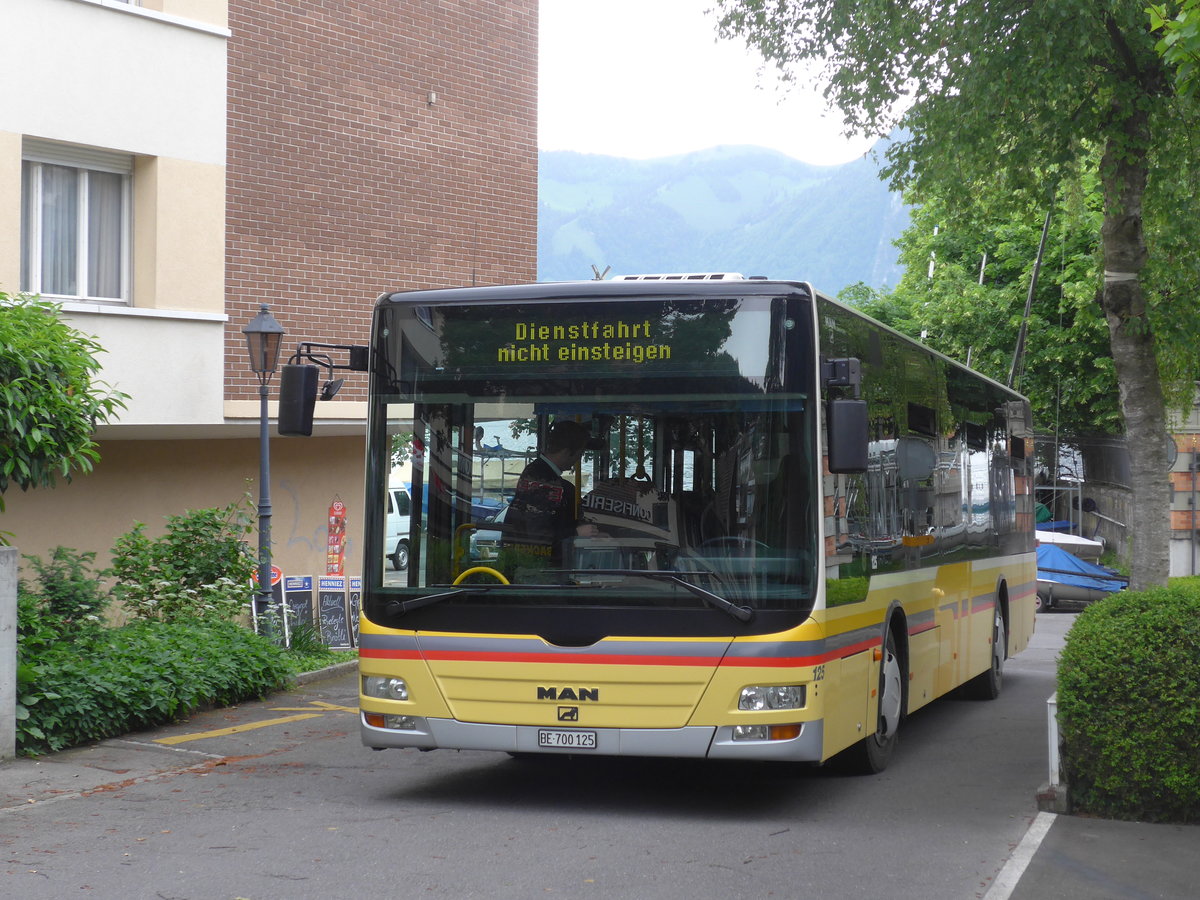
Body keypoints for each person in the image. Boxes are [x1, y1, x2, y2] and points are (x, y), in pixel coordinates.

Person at [503, 420, 598, 568]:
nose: (578, 460)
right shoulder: (548, 482)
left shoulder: (533, 471)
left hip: (520, 560)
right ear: (567, 452)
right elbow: (539, 534)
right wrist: (576, 532)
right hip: (538, 568)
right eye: (579, 454)